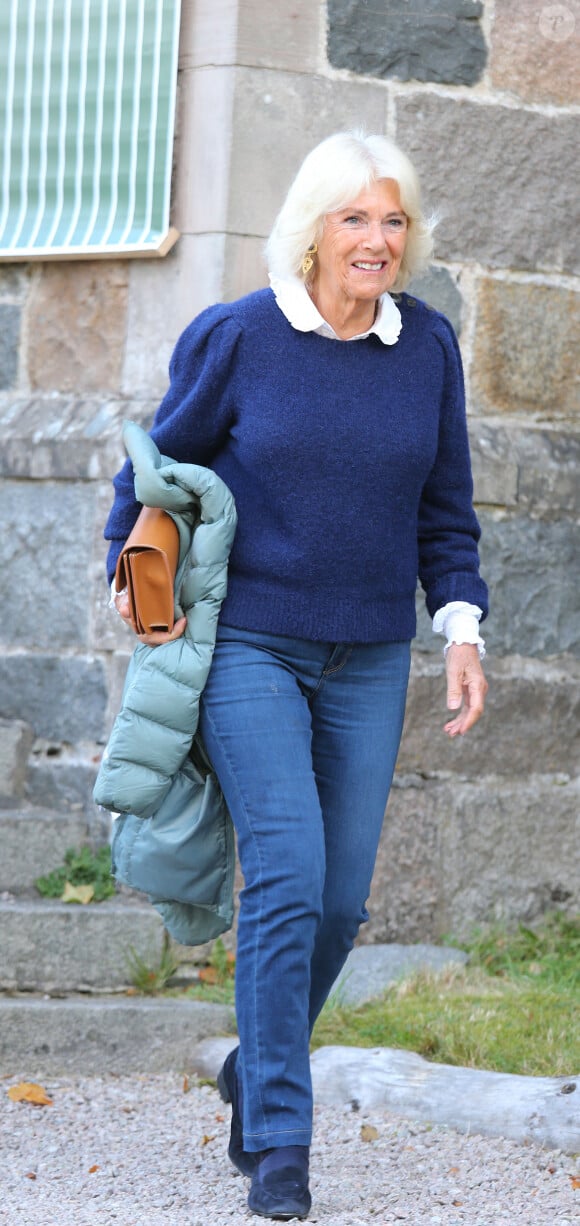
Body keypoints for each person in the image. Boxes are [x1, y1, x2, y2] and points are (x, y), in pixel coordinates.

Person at [105, 130, 488, 1221]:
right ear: (312, 227)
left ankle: (251, 1066)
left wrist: (460, 631)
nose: (375, 240)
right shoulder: (240, 335)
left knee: (342, 896)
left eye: (393, 220)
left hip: (370, 651)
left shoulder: (429, 350)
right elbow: (155, 468)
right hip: (254, 645)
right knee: (286, 870)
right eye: (354, 217)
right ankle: (280, 1137)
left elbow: (444, 512)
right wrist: (130, 579)